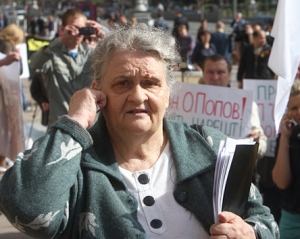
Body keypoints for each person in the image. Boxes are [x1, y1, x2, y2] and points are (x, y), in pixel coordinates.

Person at [0, 23, 279, 239]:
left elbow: (265, 220)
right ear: (97, 92)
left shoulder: (209, 145)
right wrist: (73, 123)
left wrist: (250, 232)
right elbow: (27, 210)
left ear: (168, 94)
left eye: (150, 83)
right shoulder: (75, 162)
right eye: (122, 83)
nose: (137, 96)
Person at [29, 8, 106, 127]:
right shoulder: (52, 54)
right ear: (62, 28)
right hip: (60, 124)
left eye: (81, 28)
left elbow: (115, 65)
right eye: (73, 27)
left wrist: (103, 37)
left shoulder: (91, 53)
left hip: (89, 125)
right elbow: (34, 64)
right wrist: (60, 40)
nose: (77, 33)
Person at [200, 54, 267, 159]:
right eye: (210, 72)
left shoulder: (246, 105)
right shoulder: (191, 104)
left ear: (229, 74)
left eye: (220, 72)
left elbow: (262, 146)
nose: (215, 77)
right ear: (203, 73)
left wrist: (256, 142)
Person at [272, 81, 300, 239]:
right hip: (292, 219)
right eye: (294, 108)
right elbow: (281, 182)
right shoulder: (287, 137)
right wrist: (285, 138)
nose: (299, 112)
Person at [0, 24, 25, 172]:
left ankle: (3, 160)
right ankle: (3, 160)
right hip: (5, 93)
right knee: (4, 127)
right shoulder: (8, 46)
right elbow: (16, 69)